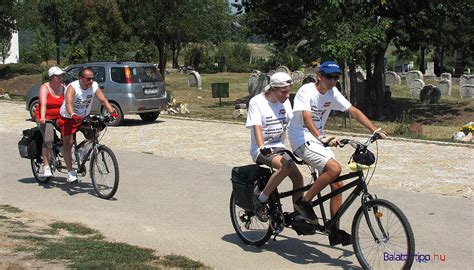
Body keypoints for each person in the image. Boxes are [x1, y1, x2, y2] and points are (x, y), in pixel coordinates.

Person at [288, 61, 386, 246]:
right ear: (320, 76)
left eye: (336, 77)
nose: (333, 81)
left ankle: (334, 230)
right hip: (300, 137)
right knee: (334, 168)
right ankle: (304, 202)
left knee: (338, 183)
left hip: (317, 139)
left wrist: (374, 129)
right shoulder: (307, 91)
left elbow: (354, 111)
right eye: (329, 76)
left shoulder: (332, 92)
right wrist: (322, 137)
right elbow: (307, 118)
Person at [246, 72, 304, 222]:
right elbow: (257, 127)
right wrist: (262, 146)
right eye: (283, 92)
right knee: (286, 165)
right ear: (273, 88)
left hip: (280, 148)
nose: (287, 95)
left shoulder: (285, 102)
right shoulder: (257, 102)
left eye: (289, 91)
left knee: (298, 177)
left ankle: (298, 214)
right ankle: (261, 198)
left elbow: (293, 123)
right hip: (262, 149)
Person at [57, 68, 117, 183]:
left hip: (83, 116)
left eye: (93, 78)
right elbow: (68, 103)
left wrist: (112, 112)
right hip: (68, 118)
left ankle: (80, 150)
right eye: (88, 79)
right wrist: (73, 114)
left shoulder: (94, 86)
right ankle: (70, 173)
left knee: (95, 134)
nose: (91, 81)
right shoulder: (72, 88)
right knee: (68, 144)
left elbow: (103, 100)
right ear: (81, 78)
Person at [34, 66, 65, 177]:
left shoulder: (63, 87)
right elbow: (43, 104)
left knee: (69, 130)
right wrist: (42, 118)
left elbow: (67, 103)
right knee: (48, 139)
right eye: (58, 76)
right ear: (52, 77)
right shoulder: (45, 87)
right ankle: (46, 166)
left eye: (61, 75)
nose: (61, 77)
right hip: (45, 116)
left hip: (58, 116)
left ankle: (62, 145)